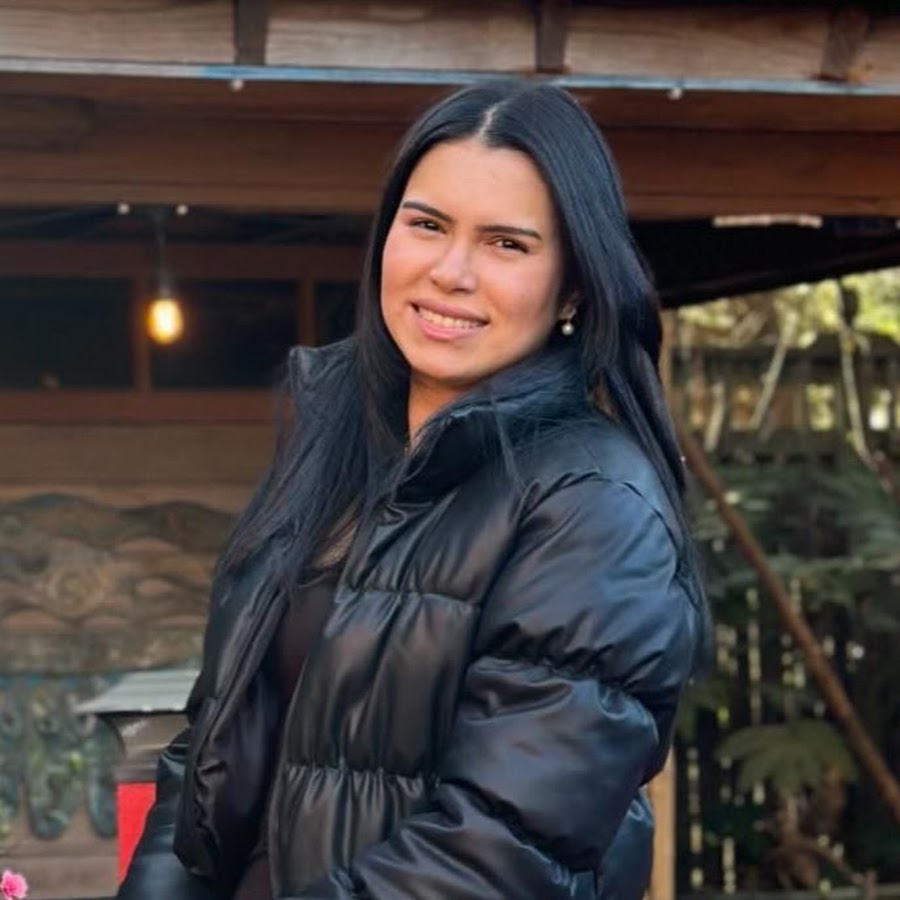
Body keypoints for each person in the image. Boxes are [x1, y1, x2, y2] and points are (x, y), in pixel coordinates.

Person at [117, 78, 709, 900]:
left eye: (506, 244)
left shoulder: (596, 504)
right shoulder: (331, 448)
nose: (450, 272)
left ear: (573, 286)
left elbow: (500, 853)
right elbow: (210, 748)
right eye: (427, 225)